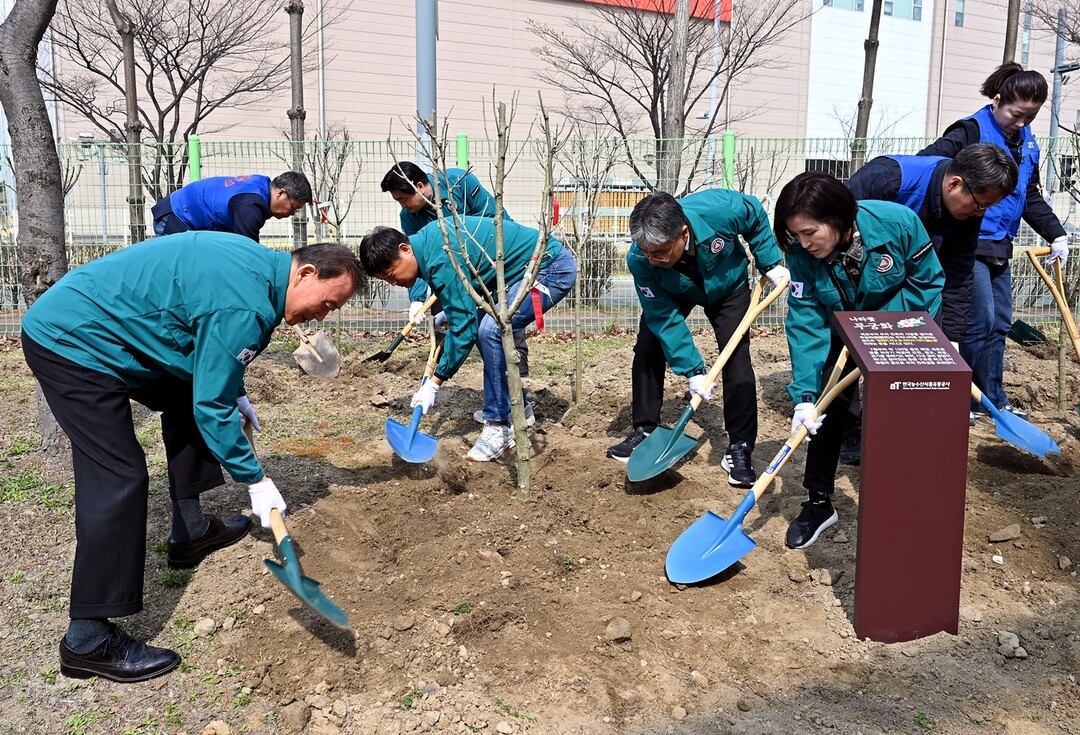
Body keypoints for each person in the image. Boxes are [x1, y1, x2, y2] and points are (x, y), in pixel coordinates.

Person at [21, 235, 362, 683]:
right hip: (74, 341)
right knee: (119, 475)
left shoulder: (261, 270)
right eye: (327, 304)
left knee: (189, 393)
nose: (322, 316)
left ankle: (191, 531)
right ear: (305, 274)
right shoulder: (248, 306)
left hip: (113, 328)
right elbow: (212, 404)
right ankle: (87, 640)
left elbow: (207, 345)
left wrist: (230, 387)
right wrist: (255, 480)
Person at [776, 172, 944, 549]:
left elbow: (927, 282)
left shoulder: (896, 222)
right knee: (826, 407)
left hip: (898, 326)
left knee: (900, 409)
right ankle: (819, 503)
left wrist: (873, 328)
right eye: (796, 235)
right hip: (839, 327)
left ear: (837, 219)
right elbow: (805, 318)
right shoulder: (801, 254)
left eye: (809, 232)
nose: (803, 244)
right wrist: (804, 394)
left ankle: (902, 498)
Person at [839, 143, 1018, 461]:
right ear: (954, 184)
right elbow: (834, 225)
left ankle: (897, 425)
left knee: (915, 341)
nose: (980, 214)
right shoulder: (889, 179)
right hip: (857, 264)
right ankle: (848, 427)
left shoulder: (969, 209)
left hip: (913, 269)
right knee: (848, 347)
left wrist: (950, 338)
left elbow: (958, 274)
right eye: (979, 206)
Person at [605, 190, 789, 488]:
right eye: (647, 251)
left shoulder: (719, 211)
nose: (653, 259)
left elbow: (754, 212)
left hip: (727, 286)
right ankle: (646, 430)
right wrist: (693, 370)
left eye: (661, 251)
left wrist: (769, 262)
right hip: (673, 290)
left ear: (683, 233)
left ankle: (740, 446)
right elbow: (664, 317)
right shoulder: (641, 260)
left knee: (735, 358)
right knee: (649, 346)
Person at [919, 62, 1068, 423]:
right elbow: (931, 166)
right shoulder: (969, 131)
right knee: (977, 320)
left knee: (999, 322)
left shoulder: (1025, 141)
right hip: (966, 240)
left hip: (1000, 243)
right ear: (998, 100)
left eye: (1029, 117)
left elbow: (1028, 195)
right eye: (1016, 114)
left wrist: (1056, 232)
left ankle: (989, 399)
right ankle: (957, 396)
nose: (1020, 123)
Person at [358, 217, 577, 462]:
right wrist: (451, 309)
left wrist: (434, 383)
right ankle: (518, 408)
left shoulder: (439, 255)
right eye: (386, 280)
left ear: (405, 249)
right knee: (486, 330)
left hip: (549, 267)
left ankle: (499, 426)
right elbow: (468, 285)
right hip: (518, 274)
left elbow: (463, 328)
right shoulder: (430, 244)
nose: (394, 282)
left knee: (490, 331)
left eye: (391, 274)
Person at [381, 162, 532, 387]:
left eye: (403, 199)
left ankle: (516, 360)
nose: (402, 205)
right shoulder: (409, 217)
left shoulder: (458, 183)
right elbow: (415, 261)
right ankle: (447, 363)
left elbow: (494, 220)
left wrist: (501, 264)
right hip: (446, 269)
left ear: (420, 186)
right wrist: (417, 298)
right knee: (459, 319)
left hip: (487, 262)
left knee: (504, 311)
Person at [151, 171, 312, 242]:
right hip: (175, 218)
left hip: (180, 213)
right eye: (295, 206)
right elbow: (247, 252)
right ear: (281, 193)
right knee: (181, 275)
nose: (293, 213)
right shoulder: (250, 206)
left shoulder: (261, 184)